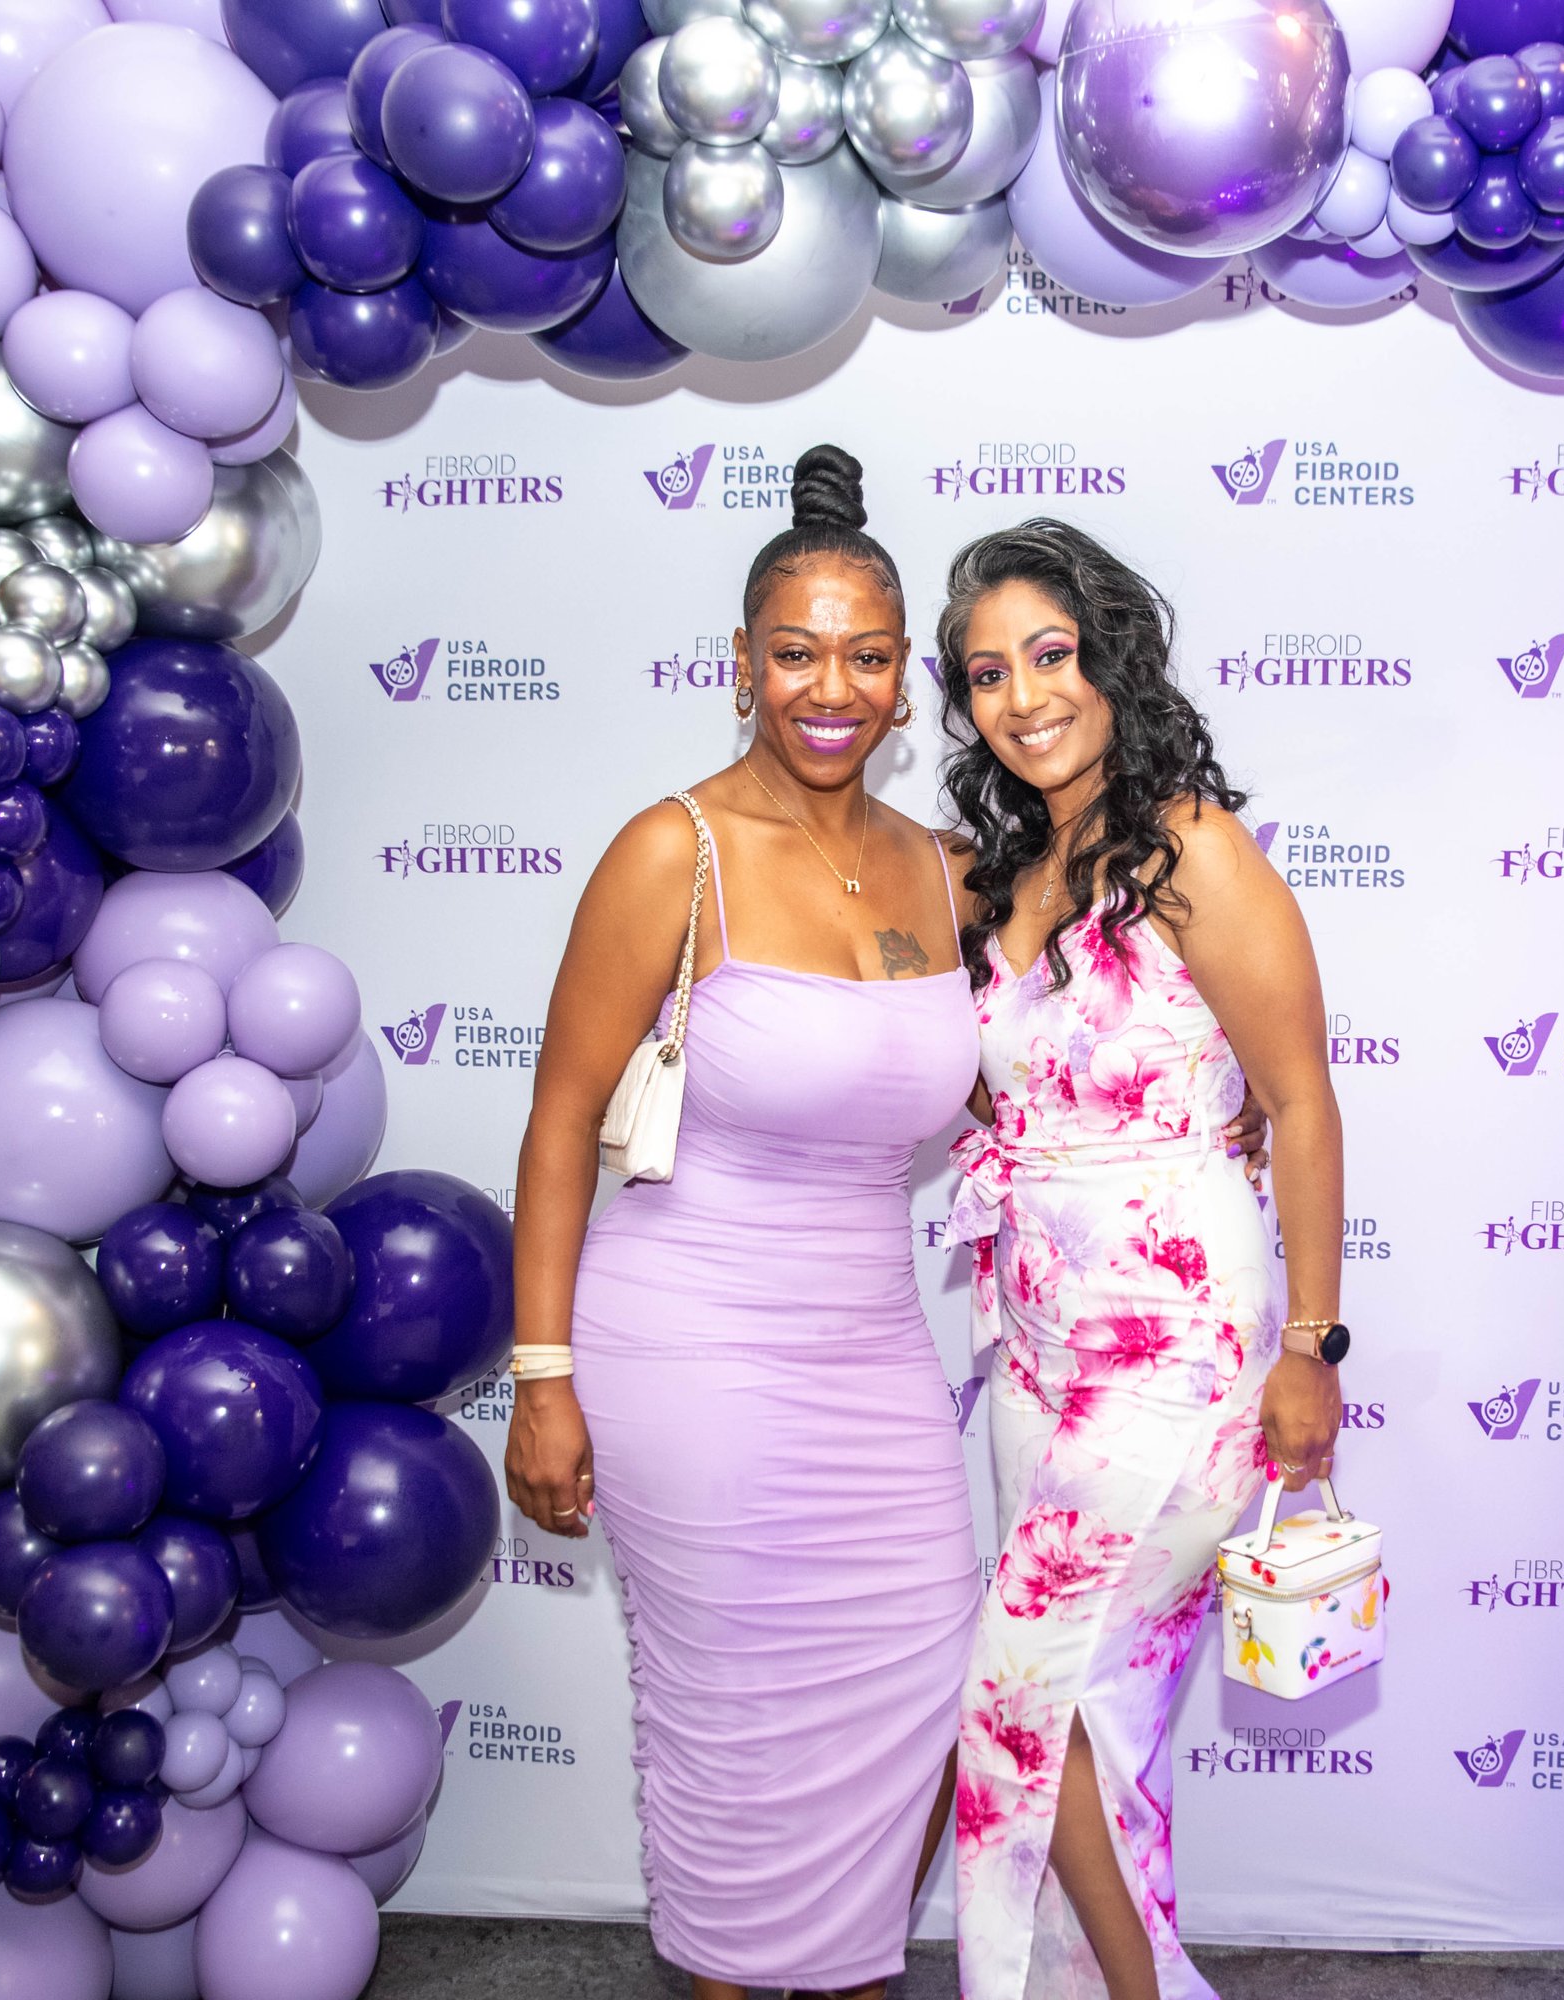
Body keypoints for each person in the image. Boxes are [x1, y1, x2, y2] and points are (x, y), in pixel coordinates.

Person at [501, 446, 980, 2000]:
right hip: (689, 1358)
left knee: (923, 1702)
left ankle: (841, 1975)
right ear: (741, 667)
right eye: (795, 653)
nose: (828, 686)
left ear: (905, 679)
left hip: (872, 1358)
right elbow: (562, 1119)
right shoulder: (676, 851)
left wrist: (1205, 1099)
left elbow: (1022, 1071)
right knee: (741, 1743)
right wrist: (545, 1373)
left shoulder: (940, 869)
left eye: (863, 655)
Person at [937, 519, 1349, 2000]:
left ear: (1111, 664)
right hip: (1035, 1346)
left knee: (1012, 1712)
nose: (1023, 695)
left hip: (1182, 1350)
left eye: (1050, 656)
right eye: (987, 674)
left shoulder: (1194, 850)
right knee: (1094, 1718)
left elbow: (1298, 1100)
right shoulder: (1001, 876)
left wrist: (1314, 1345)